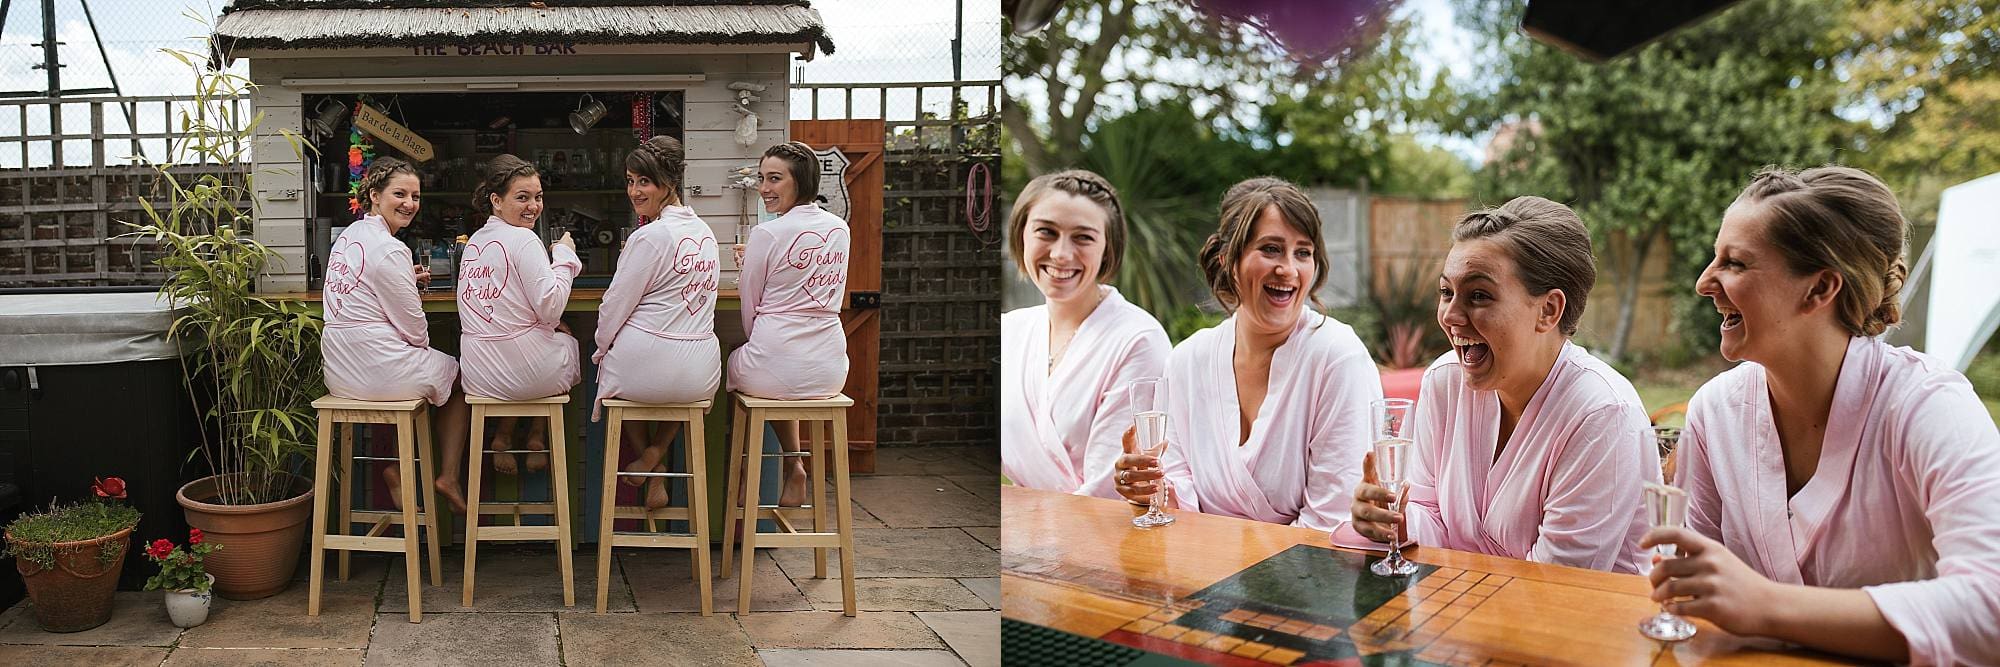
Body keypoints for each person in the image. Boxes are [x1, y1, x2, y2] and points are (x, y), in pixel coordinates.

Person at [1646, 166, 2000, 664]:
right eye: (1715, 258)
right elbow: (1694, 584)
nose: (1705, 282)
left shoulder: (1929, 406)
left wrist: (1769, 607)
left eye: (1736, 263)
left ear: (1819, 289)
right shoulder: (1715, 412)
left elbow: (1991, 605)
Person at [1349, 196, 1660, 573]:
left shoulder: (1602, 414)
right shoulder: (1445, 382)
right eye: (1446, 292)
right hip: (1467, 601)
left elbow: (1555, 581)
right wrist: (1395, 521)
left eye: (1479, 296)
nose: (1450, 315)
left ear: (1548, 311)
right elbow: (1429, 513)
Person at [1113, 177, 1378, 530]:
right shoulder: (1187, 361)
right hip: (1197, 558)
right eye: (1271, 249)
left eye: (1303, 253)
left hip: (1308, 564)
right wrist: (1145, 491)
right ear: (1228, 260)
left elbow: (1333, 519)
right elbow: (1174, 498)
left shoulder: (1337, 357)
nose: (1288, 269)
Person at [999, 170, 1169, 499]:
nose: (1061, 254)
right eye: (1046, 232)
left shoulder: (1138, 341)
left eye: (1083, 237)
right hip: (1022, 524)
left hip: (1103, 527)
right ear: (1021, 235)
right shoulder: (1009, 331)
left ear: (1108, 248)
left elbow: (1109, 489)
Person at [321, 157, 471, 512]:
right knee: (465, 378)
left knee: (424, 379)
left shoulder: (349, 237)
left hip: (339, 374)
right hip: (378, 372)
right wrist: (405, 286)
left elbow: (363, 287)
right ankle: (444, 475)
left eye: (415, 196)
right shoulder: (391, 249)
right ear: (375, 195)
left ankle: (398, 466)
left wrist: (404, 280)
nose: (409, 203)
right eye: (400, 194)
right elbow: (416, 333)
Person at [594, 136, 720, 509]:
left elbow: (614, 305)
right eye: (630, 181)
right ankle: (655, 456)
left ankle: (651, 462)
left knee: (617, 360)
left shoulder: (649, 237)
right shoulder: (706, 233)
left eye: (644, 181)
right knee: (672, 380)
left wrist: (601, 347)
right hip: (700, 374)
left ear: (668, 183)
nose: (634, 191)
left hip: (644, 369)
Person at [727, 140, 851, 507]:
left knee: (743, 362)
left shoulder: (766, 234)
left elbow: (750, 305)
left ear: (801, 181)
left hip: (777, 358)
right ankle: (793, 463)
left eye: (775, 178)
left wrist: (758, 340)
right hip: (830, 369)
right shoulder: (839, 229)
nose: (764, 188)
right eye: (762, 178)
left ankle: (745, 475)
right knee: (780, 375)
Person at [457, 154, 580, 474]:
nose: (533, 206)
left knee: (542, 342)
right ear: (496, 201)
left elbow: (509, 307)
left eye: (538, 197)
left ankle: (507, 434)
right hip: (521, 372)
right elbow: (551, 308)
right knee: (566, 342)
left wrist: (546, 324)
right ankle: (537, 434)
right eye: (522, 197)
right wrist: (565, 256)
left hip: (479, 375)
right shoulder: (524, 238)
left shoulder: (475, 243)